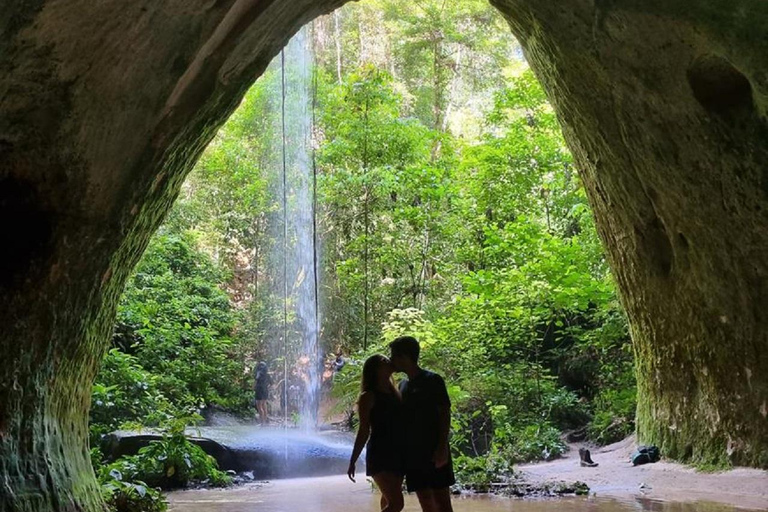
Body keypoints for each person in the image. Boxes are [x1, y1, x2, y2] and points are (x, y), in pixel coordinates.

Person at [390, 336, 455, 512]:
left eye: (394, 356)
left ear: (405, 357)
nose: (391, 360)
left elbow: (444, 414)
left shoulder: (433, 380)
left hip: (433, 448)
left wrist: (442, 448)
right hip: (413, 453)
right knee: (425, 501)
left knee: (443, 503)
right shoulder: (402, 385)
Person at [347, 355, 404, 512]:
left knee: (388, 499)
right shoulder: (368, 396)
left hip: (397, 452)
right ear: (375, 370)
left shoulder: (394, 392)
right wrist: (353, 460)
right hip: (380, 453)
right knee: (397, 503)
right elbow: (364, 430)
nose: (390, 362)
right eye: (384, 362)